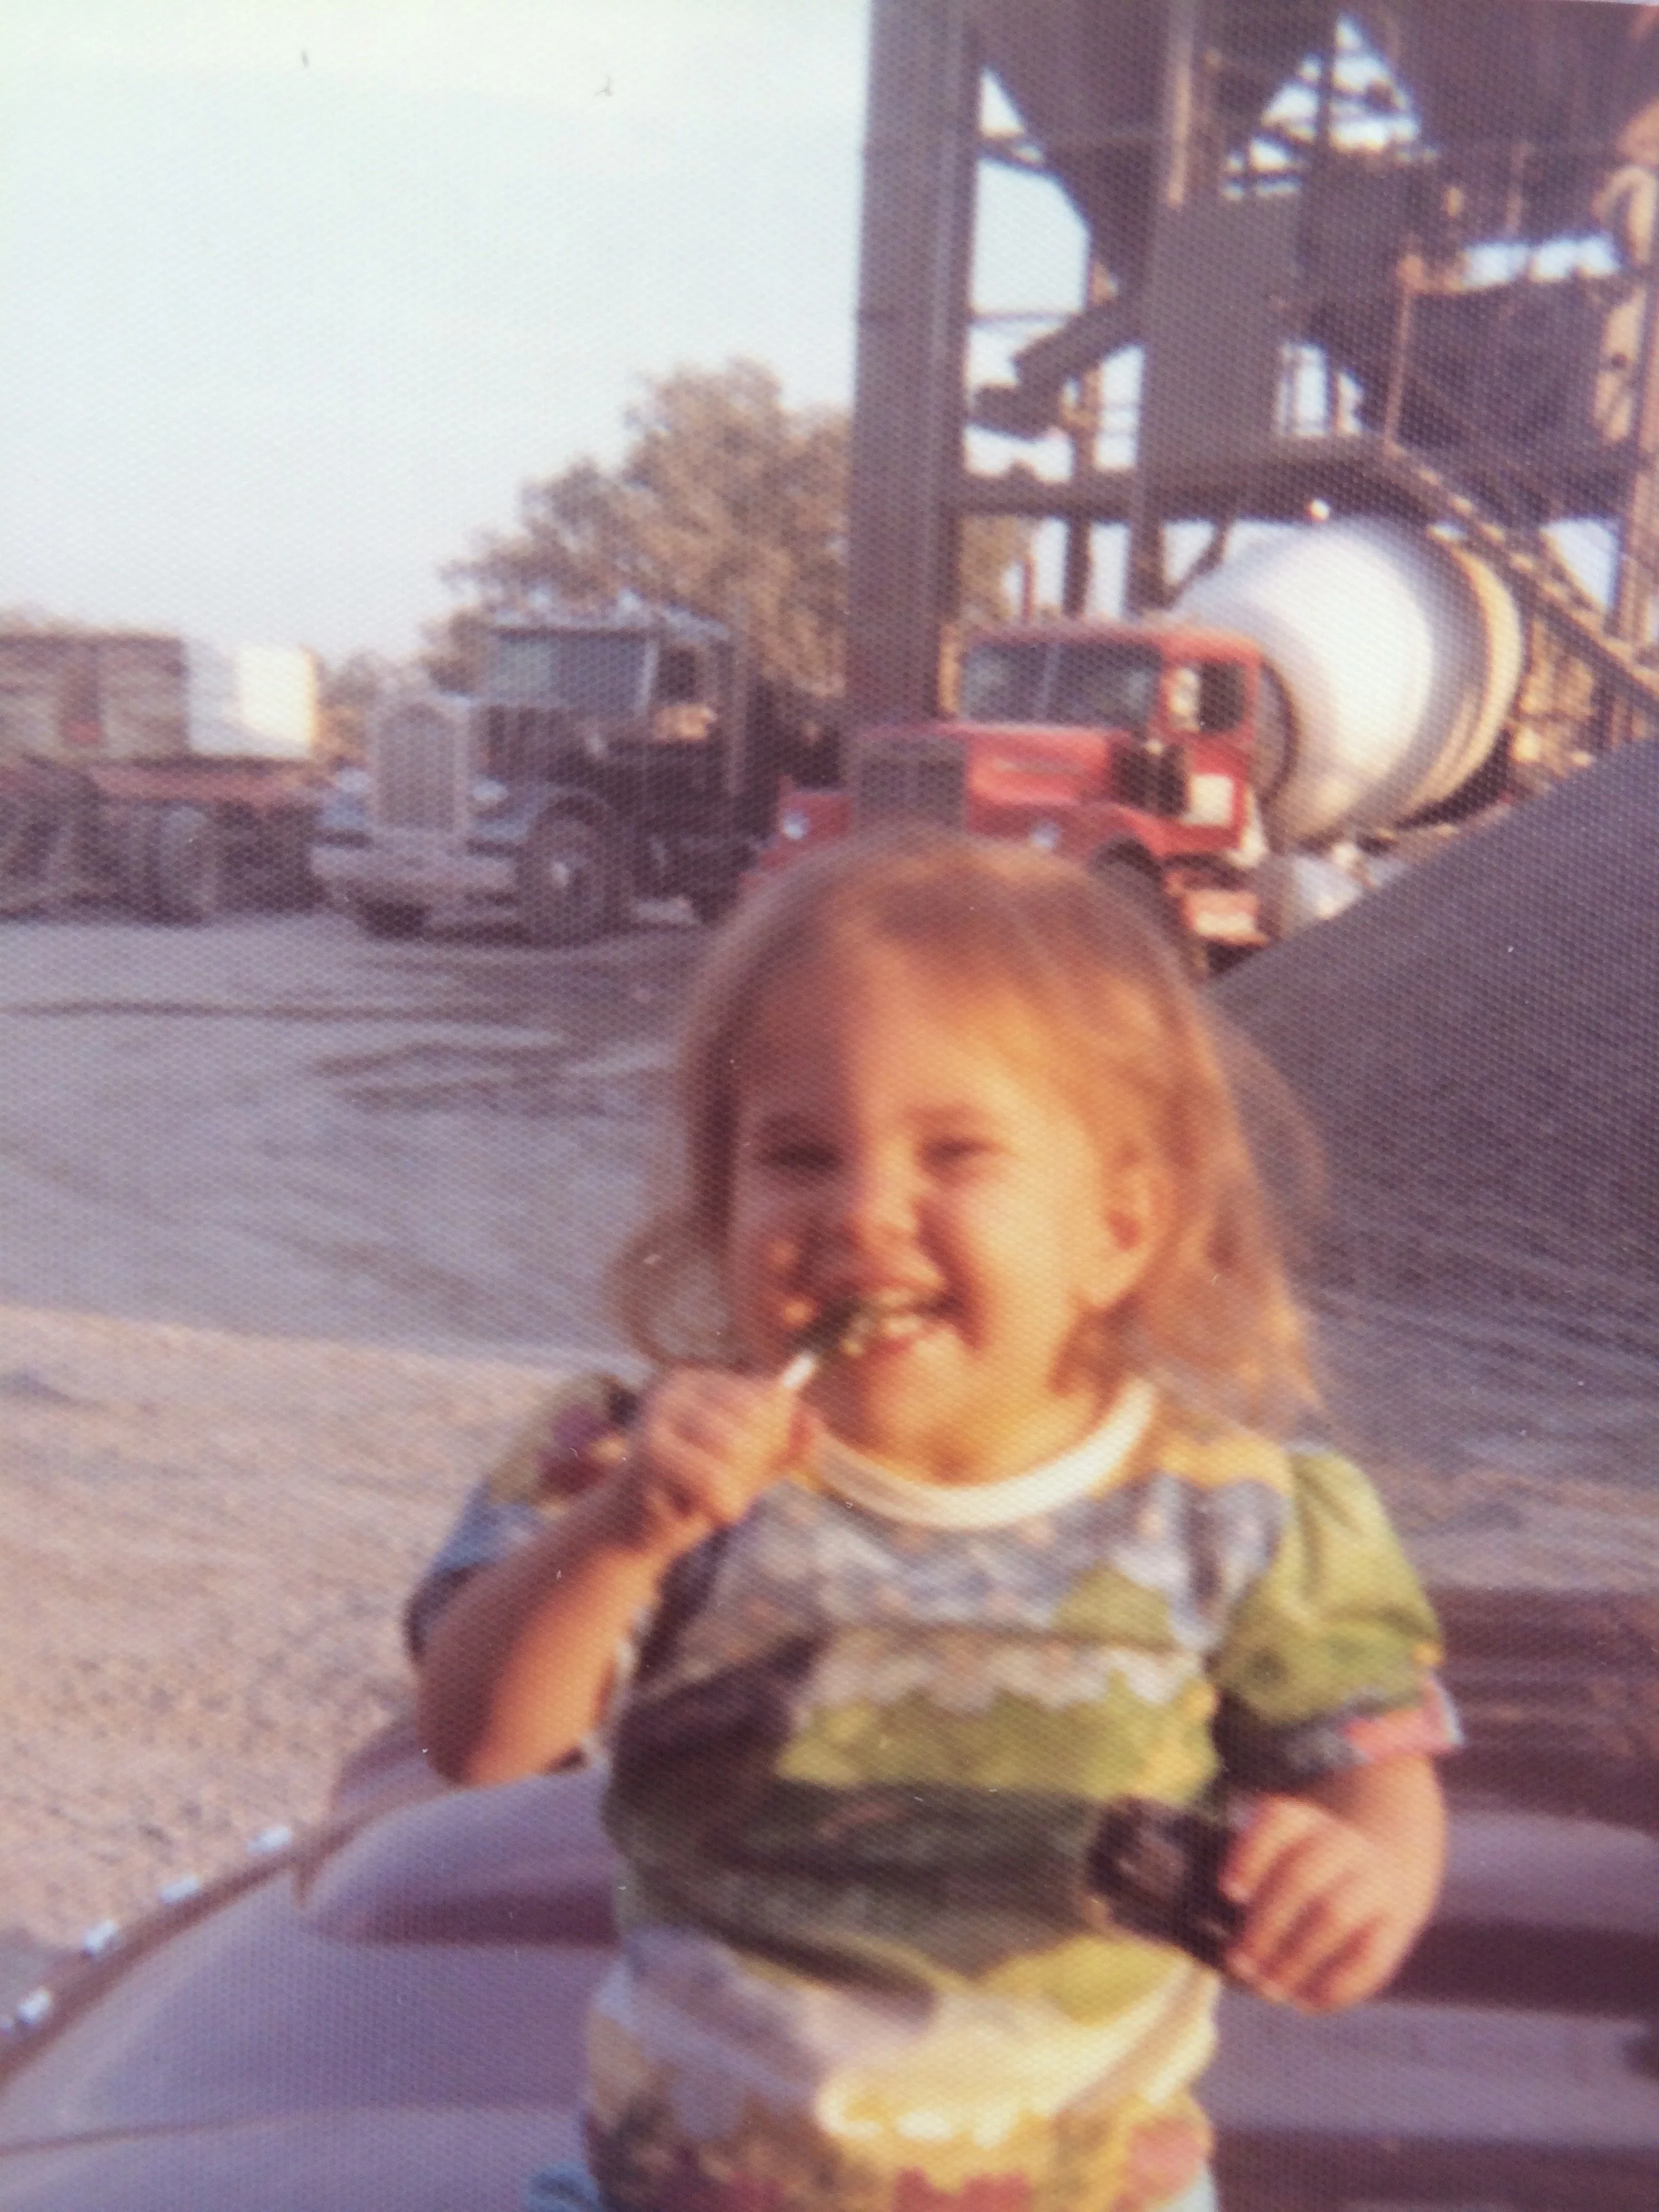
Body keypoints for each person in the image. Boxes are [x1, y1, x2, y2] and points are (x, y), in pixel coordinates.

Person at [413, 832, 1458, 2212]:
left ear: (1118, 1228)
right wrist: (620, 1532)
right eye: (796, 1157)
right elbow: (479, 1744)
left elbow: (1369, 1771)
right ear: (723, 1202)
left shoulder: (1237, 1520)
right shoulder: (633, 1468)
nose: (862, 1214)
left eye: (954, 1153)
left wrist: (1362, 1870)